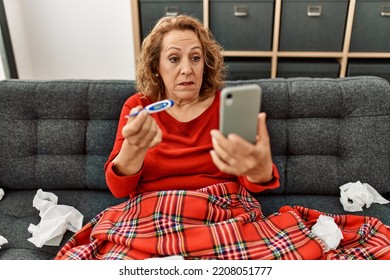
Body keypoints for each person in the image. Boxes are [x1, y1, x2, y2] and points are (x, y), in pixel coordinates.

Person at [55, 15, 390, 260]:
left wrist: (259, 171)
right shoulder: (139, 106)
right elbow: (119, 189)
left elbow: (255, 181)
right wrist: (133, 151)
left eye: (195, 58)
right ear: (156, 66)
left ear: (206, 63)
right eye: (174, 59)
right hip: (151, 211)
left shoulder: (228, 104)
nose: (187, 69)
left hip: (222, 210)